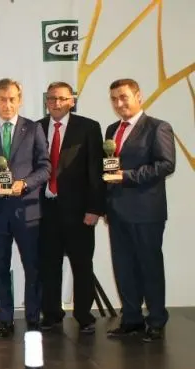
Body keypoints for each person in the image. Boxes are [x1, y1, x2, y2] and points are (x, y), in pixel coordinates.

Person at [0, 78, 50, 337]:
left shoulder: (34, 128)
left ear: (20, 100)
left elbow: (45, 167)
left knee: (33, 267)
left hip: (27, 210)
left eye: (12, 99)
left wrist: (24, 184)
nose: (7, 104)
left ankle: (33, 318)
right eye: (2, 99)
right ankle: (5, 319)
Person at [103, 78, 175, 342]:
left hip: (146, 212)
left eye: (123, 97)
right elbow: (109, 167)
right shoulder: (112, 129)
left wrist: (127, 176)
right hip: (117, 211)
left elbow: (166, 164)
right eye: (114, 99)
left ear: (138, 96)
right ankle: (131, 319)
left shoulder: (158, 127)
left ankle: (156, 320)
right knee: (124, 269)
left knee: (149, 268)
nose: (119, 103)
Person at [37, 82, 104, 334]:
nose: (56, 103)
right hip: (45, 209)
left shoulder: (88, 127)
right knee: (49, 265)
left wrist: (94, 208)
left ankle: (84, 315)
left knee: (82, 264)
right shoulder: (36, 128)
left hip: (79, 211)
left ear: (72, 101)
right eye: (52, 98)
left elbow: (95, 171)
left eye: (62, 98)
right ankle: (51, 314)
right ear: (46, 101)